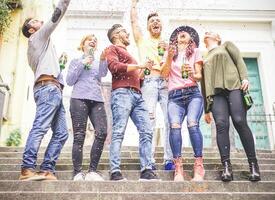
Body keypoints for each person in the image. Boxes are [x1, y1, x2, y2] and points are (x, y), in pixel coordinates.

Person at [19, 0, 70, 181]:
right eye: (34, 21)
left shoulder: (40, 44)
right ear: (31, 30)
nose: (39, 21)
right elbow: (56, 15)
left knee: (62, 132)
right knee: (40, 127)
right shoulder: (37, 37)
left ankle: (47, 168)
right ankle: (27, 168)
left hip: (52, 89)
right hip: (48, 90)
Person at [202, 32, 261, 182]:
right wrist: (206, 109)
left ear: (217, 38)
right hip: (216, 94)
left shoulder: (226, 45)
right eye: (205, 33)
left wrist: (245, 77)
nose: (206, 33)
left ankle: (253, 165)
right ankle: (226, 166)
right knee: (221, 124)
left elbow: (239, 60)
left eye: (209, 32)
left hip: (234, 86)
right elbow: (204, 83)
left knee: (239, 121)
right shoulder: (204, 58)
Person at [106, 24, 159, 181]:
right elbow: (114, 67)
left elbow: (138, 80)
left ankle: (147, 170)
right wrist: (139, 65)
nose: (127, 33)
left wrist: (144, 71)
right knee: (118, 131)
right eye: (124, 31)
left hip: (137, 94)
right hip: (121, 93)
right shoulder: (112, 49)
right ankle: (115, 171)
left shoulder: (130, 54)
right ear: (116, 35)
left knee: (147, 130)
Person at [130, 0, 174, 170]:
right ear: (147, 26)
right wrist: (133, 4)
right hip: (148, 82)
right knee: (149, 121)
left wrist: (170, 50)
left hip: (165, 82)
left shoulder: (167, 43)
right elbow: (134, 22)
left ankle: (169, 159)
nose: (155, 22)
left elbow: (171, 67)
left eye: (158, 21)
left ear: (161, 26)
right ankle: (148, 160)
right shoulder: (142, 39)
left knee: (171, 120)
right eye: (151, 21)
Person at [161, 26, 205, 181]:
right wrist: (168, 57)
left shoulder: (196, 52)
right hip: (175, 96)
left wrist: (193, 73)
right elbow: (164, 74)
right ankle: (178, 167)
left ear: (190, 39)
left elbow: (199, 76)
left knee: (193, 124)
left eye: (184, 34)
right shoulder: (169, 53)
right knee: (174, 126)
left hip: (193, 93)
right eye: (178, 34)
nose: (181, 34)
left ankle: (198, 165)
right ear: (175, 39)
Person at [66, 34, 108, 181]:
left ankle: (92, 171)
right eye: (89, 39)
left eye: (95, 40)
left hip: (97, 99)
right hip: (79, 98)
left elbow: (103, 73)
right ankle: (77, 172)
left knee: (102, 132)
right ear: (83, 44)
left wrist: (103, 59)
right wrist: (83, 62)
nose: (93, 41)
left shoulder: (98, 61)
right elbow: (70, 81)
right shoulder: (76, 61)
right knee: (79, 135)